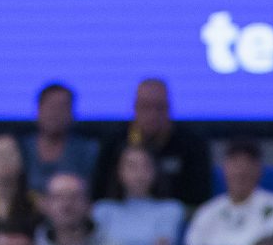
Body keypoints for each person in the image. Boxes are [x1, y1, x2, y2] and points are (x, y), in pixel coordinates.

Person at [90, 78, 211, 208]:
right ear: (135, 108)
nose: (152, 115)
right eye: (145, 107)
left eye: (159, 107)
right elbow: (99, 192)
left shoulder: (192, 144)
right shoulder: (115, 142)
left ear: (169, 108)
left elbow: (200, 198)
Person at [93, 145, 186, 245]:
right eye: (132, 166)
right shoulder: (102, 210)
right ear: (119, 171)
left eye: (145, 166)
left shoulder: (171, 209)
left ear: (155, 170)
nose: (139, 173)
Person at [21, 81, 96, 191]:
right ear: (38, 110)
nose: (55, 114)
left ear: (72, 113)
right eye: (51, 107)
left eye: (62, 108)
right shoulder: (21, 149)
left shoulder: (88, 151)